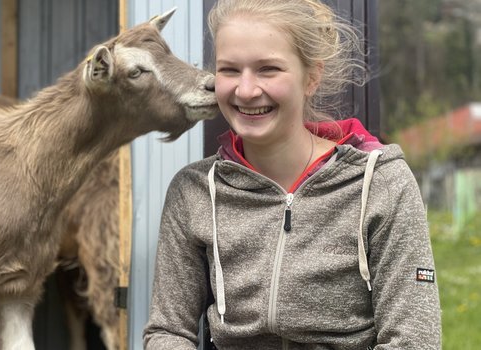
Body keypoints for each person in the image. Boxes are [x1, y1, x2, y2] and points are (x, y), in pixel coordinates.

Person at [143, 0, 442, 349]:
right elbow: (167, 332)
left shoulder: (381, 184)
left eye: (268, 69)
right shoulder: (194, 192)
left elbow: (413, 340)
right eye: (229, 70)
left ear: (311, 76)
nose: (246, 90)